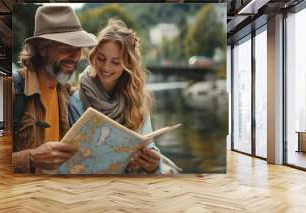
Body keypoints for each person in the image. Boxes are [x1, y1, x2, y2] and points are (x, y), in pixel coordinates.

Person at [69, 20, 181, 174]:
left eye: (115, 62)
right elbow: (73, 158)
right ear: (94, 55)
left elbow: (149, 146)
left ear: (128, 65)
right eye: (101, 58)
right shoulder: (76, 100)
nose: (106, 67)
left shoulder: (137, 99)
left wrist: (153, 164)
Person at [12, 5, 97, 173]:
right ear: (43, 49)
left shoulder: (67, 94)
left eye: (78, 48)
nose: (75, 56)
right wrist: (31, 158)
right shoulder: (13, 88)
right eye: (66, 47)